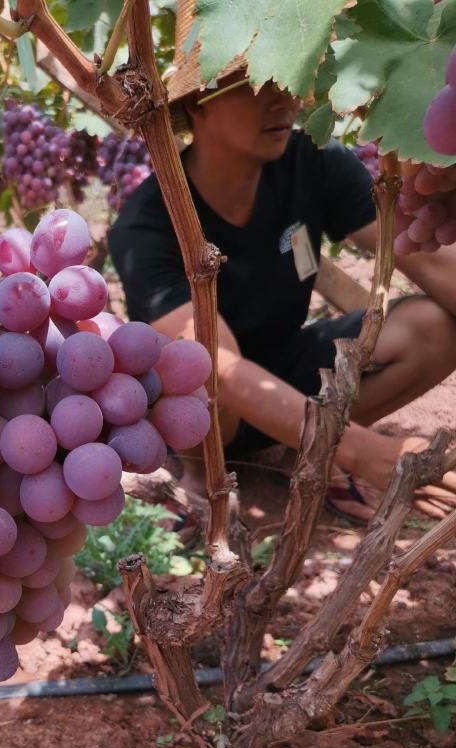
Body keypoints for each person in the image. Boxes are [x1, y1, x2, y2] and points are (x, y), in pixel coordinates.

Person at [109, 36, 456, 521]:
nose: (284, 98)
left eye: (286, 75)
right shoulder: (146, 227)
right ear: (196, 104)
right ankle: (201, 479)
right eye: (253, 83)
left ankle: (309, 455)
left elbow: (424, 257)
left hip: (287, 377)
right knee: (199, 377)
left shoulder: (314, 161)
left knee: (433, 327)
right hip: (210, 418)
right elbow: (220, 370)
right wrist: (363, 452)